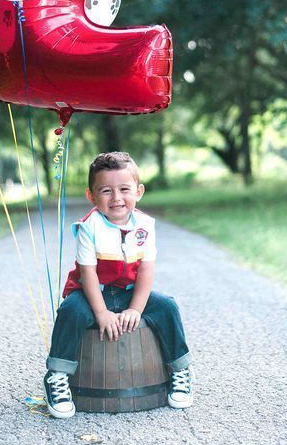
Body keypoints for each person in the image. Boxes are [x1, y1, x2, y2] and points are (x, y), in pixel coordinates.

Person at [43, 151, 194, 418]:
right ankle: (58, 376)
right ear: (91, 196)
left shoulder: (145, 225)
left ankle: (179, 370)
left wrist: (135, 309)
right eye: (106, 191)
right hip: (91, 292)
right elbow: (88, 273)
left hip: (128, 292)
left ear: (139, 191)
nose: (116, 198)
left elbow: (146, 269)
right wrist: (101, 313)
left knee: (167, 307)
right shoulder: (89, 227)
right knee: (71, 311)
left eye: (124, 189)